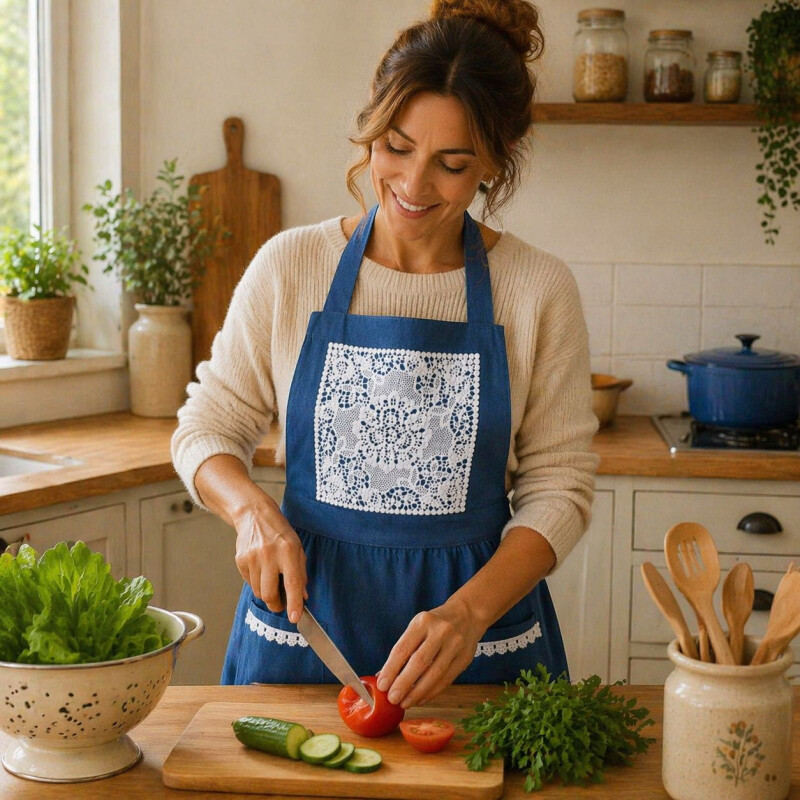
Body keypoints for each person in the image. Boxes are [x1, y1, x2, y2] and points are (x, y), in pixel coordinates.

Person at [172, 0, 599, 710]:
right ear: (370, 129)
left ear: (495, 162)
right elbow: (206, 428)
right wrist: (249, 510)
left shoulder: (536, 289)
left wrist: (470, 614)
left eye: (452, 164)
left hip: (478, 645)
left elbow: (561, 485)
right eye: (395, 148)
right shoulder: (291, 266)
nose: (413, 184)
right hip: (303, 635)